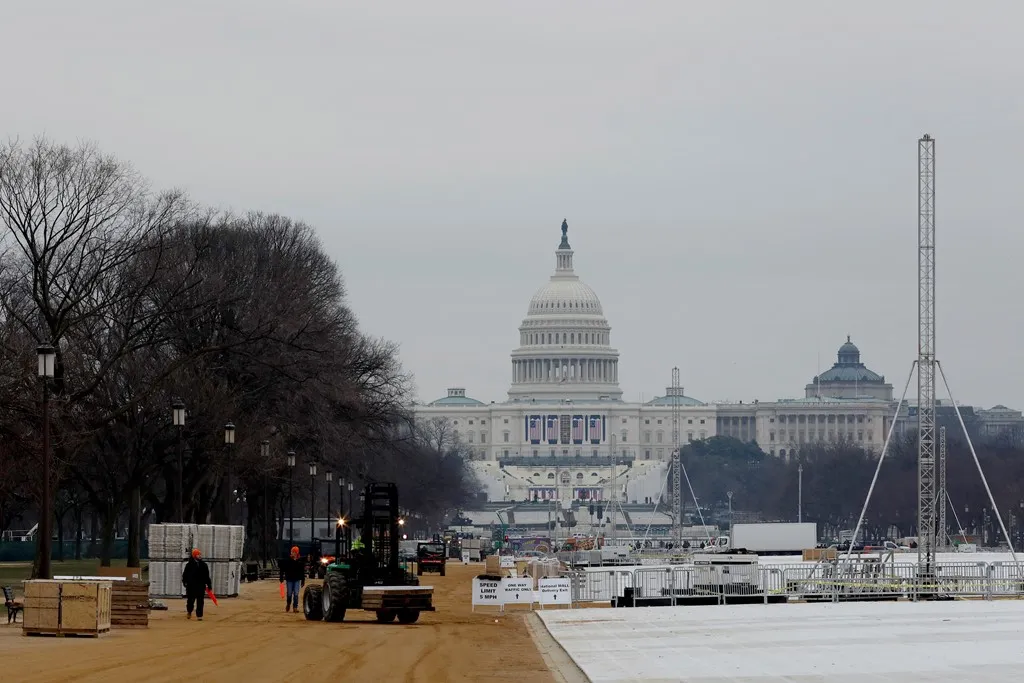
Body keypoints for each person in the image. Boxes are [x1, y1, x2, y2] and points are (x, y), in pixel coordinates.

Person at [182, 548, 212, 621]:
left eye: (200, 554)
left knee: (200, 601)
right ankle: (189, 611)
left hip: (201, 586)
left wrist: (209, 585)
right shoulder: (189, 565)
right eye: (198, 554)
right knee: (190, 601)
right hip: (191, 586)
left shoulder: (204, 565)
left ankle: (199, 615)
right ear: (194, 555)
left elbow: (207, 576)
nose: (199, 556)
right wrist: (184, 582)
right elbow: (185, 575)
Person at [279, 546, 305, 613]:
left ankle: (295, 607)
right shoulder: (288, 560)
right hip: (289, 579)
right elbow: (282, 569)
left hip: (297, 579)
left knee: (296, 594)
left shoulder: (300, 561)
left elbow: (302, 571)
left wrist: (303, 580)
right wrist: (281, 578)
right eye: (292, 552)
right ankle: (288, 604)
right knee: (289, 593)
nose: (292, 553)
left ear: (296, 553)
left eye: (294, 552)